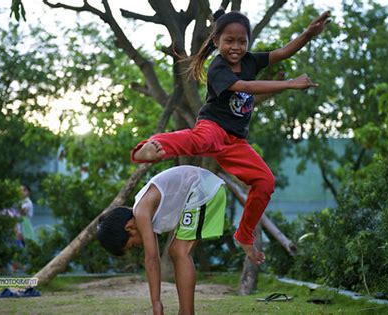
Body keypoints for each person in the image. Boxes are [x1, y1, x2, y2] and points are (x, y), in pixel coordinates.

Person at [131, 8, 331, 265]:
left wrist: (309, 33)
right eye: (229, 41)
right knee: (201, 141)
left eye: (242, 41)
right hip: (213, 126)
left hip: (236, 141)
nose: (236, 47)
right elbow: (245, 87)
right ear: (216, 42)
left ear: (248, 42)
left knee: (265, 181)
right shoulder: (218, 67)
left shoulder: (251, 60)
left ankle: (244, 234)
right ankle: (148, 148)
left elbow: (283, 52)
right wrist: (290, 83)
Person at [97, 165, 226, 315]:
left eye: (132, 245)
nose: (138, 246)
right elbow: (154, 257)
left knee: (179, 251)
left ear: (129, 228)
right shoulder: (144, 213)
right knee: (176, 251)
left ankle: (186, 313)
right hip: (201, 188)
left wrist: (156, 304)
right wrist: (156, 301)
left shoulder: (142, 212)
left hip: (204, 188)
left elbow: (151, 259)